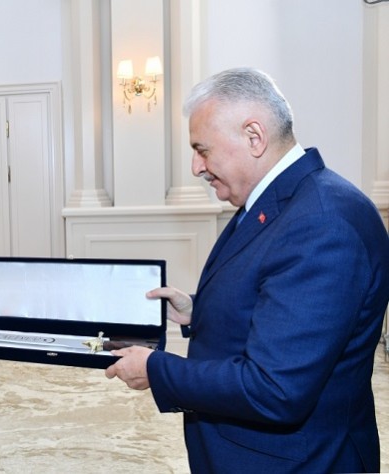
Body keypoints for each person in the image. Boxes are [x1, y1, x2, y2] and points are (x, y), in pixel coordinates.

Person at [105, 68, 389, 473]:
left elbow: (275, 389)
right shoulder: (282, 201)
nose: (196, 167)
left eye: (202, 150)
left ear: (254, 137)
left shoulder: (323, 223)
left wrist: (156, 369)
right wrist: (197, 309)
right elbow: (279, 297)